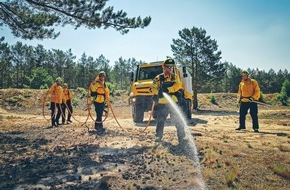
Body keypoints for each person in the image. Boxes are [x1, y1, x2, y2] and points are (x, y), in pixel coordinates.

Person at [150, 58, 186, 144]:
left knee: (178, 121)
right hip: (163, 104)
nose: (170, 69)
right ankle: (158, 136)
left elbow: (178, 85)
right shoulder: (158, 78)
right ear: (164, 67)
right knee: (160, 121)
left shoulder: (175, 77)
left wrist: (168, 89)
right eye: (168, 67)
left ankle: (182, 138)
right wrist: (157, 93)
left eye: (172, 67)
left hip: (174, 103)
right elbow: (152, 88)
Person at [89, 71, 110, 135]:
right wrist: (93, 83)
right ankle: (99, 126)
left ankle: (97, 126)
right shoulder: (96, 84)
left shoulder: (105, 84)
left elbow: (107, 93)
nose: (102, 77)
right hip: (97, 101)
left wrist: (107, 100)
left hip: (102, 101)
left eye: (103, 76)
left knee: (100, 114)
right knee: (99, 114)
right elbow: (92, 90)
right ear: (99, 76)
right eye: (101, 76)